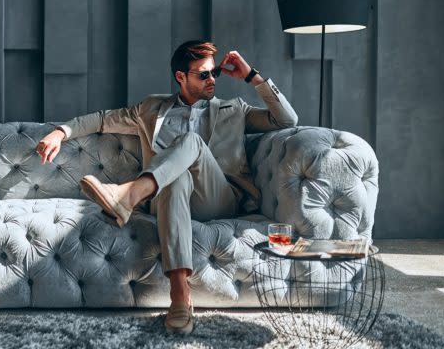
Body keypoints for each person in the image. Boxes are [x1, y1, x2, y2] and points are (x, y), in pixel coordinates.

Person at [35, 40, 298, 334]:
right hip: (167, 198)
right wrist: (60, 132)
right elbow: (101, 120)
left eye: (214, 74)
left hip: (218, 197)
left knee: (191, 142)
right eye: (203, 74)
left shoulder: (233, 109)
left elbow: (286, 119)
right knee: (177, 178)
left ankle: (127, 194)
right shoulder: (151, 109)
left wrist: (252, 76)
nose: (212, 80)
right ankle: (180, 296)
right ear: (180, 77)